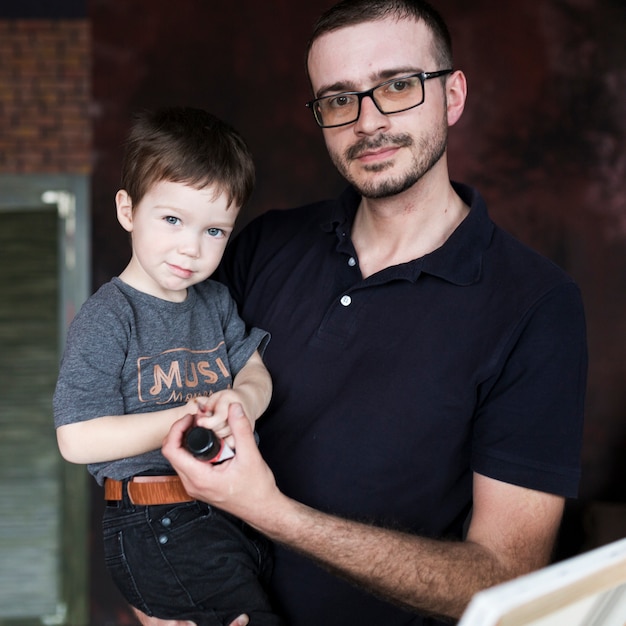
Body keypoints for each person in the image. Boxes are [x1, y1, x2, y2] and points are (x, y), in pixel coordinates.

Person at [134, 1, 588, 625]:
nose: (367, 122)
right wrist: (156, 600)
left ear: (452, 96)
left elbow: (505, 579)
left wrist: (273, 512)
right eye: (339, 99)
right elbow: (131, 400)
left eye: (398, 86)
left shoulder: (538, 304)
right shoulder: (261, 246)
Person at [53, 107, 283, 626]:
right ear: (128, 210)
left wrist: (241, 400)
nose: (192, 248)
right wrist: (185, 419)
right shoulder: (109, 315)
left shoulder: (215, 302)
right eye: (173, 220)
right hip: (156, 519)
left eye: (215, 231)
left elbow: (255, 370)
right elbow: (77, 438)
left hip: (228, 508)